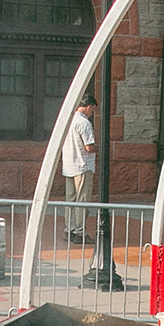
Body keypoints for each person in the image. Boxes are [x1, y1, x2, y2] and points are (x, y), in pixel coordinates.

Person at [62, 95, 97, 243]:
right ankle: (80, 232)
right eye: (92, 110)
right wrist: (99, 149)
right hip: (82, 166)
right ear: (89, 107)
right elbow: (89, 147)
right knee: (82, 200)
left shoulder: (68, 119)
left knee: (70, 200)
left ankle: (68, 230)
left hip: (69, 165)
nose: (92, 113)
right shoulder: (84, 123)